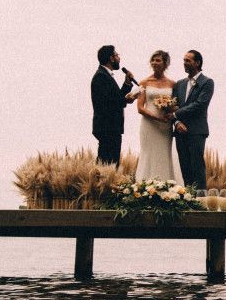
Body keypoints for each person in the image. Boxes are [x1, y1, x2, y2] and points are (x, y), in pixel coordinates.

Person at [133, 50, 184, 183]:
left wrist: (169, 109)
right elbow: (140, 108)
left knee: (163, 154)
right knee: (148, 153)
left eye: (158, 60)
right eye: (153, 60)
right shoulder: (144, 82)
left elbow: (177, 105)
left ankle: (166, 186)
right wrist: (158, 118)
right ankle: (145, 186)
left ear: (165, 64)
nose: (155, 63)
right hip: (149, 125)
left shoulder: (173, 84)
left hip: (165, 125)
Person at [171, 49, 213, 191]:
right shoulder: (179, 84)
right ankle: (189, 199)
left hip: (196, 131)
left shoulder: (207, 82)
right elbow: (173, 106)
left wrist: (176, 115)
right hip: (179, 132)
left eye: (188, 60)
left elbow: (200, 105)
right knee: (185, 167)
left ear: (197, 63)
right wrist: (176, 122)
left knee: (197, 167)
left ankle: (201, 202)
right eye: (184, 60)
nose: (184, 63)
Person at [90, 45, 138, 165]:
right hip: (107, 127)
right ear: (111, 58)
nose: (119, 59)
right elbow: (107, 104)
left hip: (111, 127)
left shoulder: (105, 75)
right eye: (117, 55)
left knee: (111, 163)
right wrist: (126, 100)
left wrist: (127, 83)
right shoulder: (101, 76)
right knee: (107, 163)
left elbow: (115, 98)